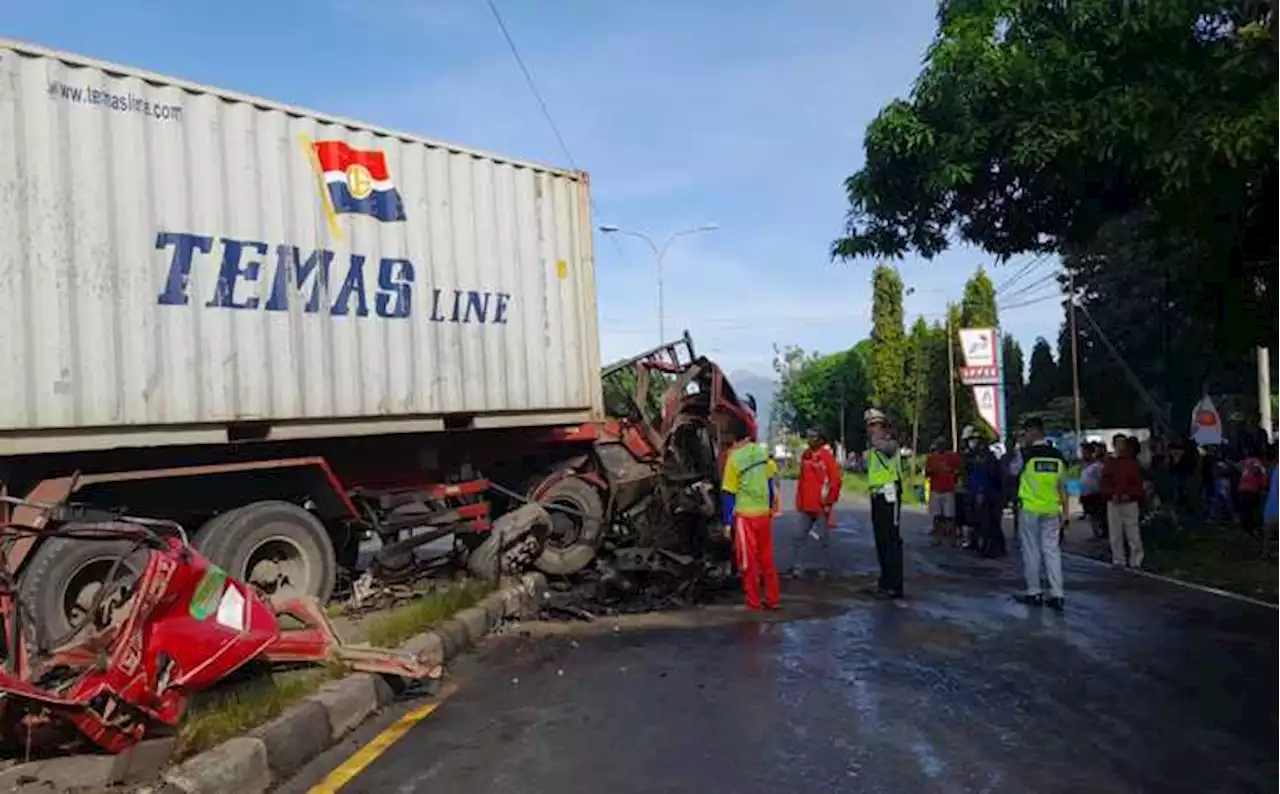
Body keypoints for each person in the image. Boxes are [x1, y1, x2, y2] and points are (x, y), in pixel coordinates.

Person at [721, 419, 782, 611]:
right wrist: (771, 507)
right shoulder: (763, 453)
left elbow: (728, 494)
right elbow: (771, 483)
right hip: (763, 515)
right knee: (767, 559)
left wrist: (727, 523)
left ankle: (753, 602)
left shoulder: (734, 458)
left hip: (745, 517)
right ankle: (773, 599)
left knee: (748, 562)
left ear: (734, 438)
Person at [1014, 416, 1070, 611]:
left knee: (1031, 550)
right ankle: (1057, 594)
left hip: (1030, 508)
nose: (1025, 436)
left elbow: (1013, 472)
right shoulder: (1057, 455)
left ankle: (1034, 592)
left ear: (1033, 432)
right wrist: (1066, 511)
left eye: (1026, 432)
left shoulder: (1025, 454)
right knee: (1052, 551)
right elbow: (1063, 486)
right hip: (1052, 509)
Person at [864, 408, 904, 600]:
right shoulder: (873, 446)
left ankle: (895, 585)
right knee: (880, 539)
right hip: (877, 495)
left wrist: (878, 441)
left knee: (891, 540)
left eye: (874, 424)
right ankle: (885, 581)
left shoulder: (889, 442)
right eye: (869, 425)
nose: (870, 429)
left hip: (890, 494)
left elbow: (889, 450)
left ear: (882, 425)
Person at [791, 428, 842, 577]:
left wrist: (829, 501)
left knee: (823, 539)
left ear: (820, 440)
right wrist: (799, 501)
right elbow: (802, 480)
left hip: (821, 506)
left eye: (813, 437)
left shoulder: (826, 457)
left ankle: (824, 568)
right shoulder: (805, 456)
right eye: (808, 437)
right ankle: (797, 567)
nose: (809, 440)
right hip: (806, 505)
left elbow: (835, 481)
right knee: (799, 537)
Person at [1101, 434, 1144, 569]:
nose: (1120, 446)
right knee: (1115, 533)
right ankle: (1118, 560)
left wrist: (1130, 495)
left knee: (1133, 532)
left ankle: (1136, 560)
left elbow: (1137, 483)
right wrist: (1110, 494)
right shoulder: (1110, 463)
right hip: (1113, 501)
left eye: (1122, 443)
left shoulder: (1133, 463)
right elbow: (1104, 482)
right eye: (1118, 443)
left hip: (1130, 502)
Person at [924, 438, 963, 546]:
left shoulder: (953, 457)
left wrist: (952, 472)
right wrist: (932, 471)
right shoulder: (931, 458)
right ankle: (937, 538)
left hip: (948, 490)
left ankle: (950, 539)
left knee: (949, 516)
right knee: (937, 516)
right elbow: (927, 473)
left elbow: (960, 470)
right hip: (936, 490)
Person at [1236, 442, 1268, 538]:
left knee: (1245, 510)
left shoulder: (1244, 462)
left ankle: (1246, 529)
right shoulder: (1258, 462)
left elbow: (1237, 467)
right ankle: (1255, 529)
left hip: (1242, 489)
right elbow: (1263, 475)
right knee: (1254, 510)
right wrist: (1264, 486)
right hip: (1253, 489)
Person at [1080, 443, 1107, 539]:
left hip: (1095, 494)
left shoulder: (1097, 466)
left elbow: (1101, 479)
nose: (1082, 454)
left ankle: (1101, 533)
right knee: (1091, 516)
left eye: (1084, 452)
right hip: (1086, 494)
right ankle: (1095, 533)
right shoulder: (1084, 465)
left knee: (1097, 515)